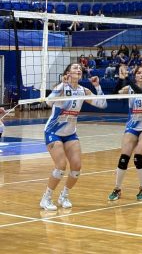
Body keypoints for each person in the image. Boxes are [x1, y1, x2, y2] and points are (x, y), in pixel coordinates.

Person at [40, 65, 107, 211]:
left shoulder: (83, 90)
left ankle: (64, 196)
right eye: (75, 68)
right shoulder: (61, 87)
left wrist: (97, 86)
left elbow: (103, 104)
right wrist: (62, 85)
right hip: (53, 131)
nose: (79, 69)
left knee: (76, 167)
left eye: (79, 68)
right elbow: (48, 102)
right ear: (68, 73)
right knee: (61, 166)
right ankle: (46, 198)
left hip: (70, 133)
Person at [108, 66, 142, 201]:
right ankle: (117, 189)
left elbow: (141, 92)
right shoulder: (128, 88)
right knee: (124, 158)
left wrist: (128, 80)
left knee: (138, 157)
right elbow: (114, 95)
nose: (141, 75)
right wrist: (120, 79)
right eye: (138, 73)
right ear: (135, 76)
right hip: (132, 126)